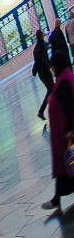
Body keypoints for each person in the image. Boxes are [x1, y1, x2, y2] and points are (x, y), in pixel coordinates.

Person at [44, 44, 74, 211]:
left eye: (53, 66)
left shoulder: (63, 81)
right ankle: (57, 198)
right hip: (62, 133)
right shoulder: (66, 76)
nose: (52, 69)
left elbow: (69, 106)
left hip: (65, 134)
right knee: (65, 166)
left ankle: (56, 199)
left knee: (66, 164)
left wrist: (69, 130)